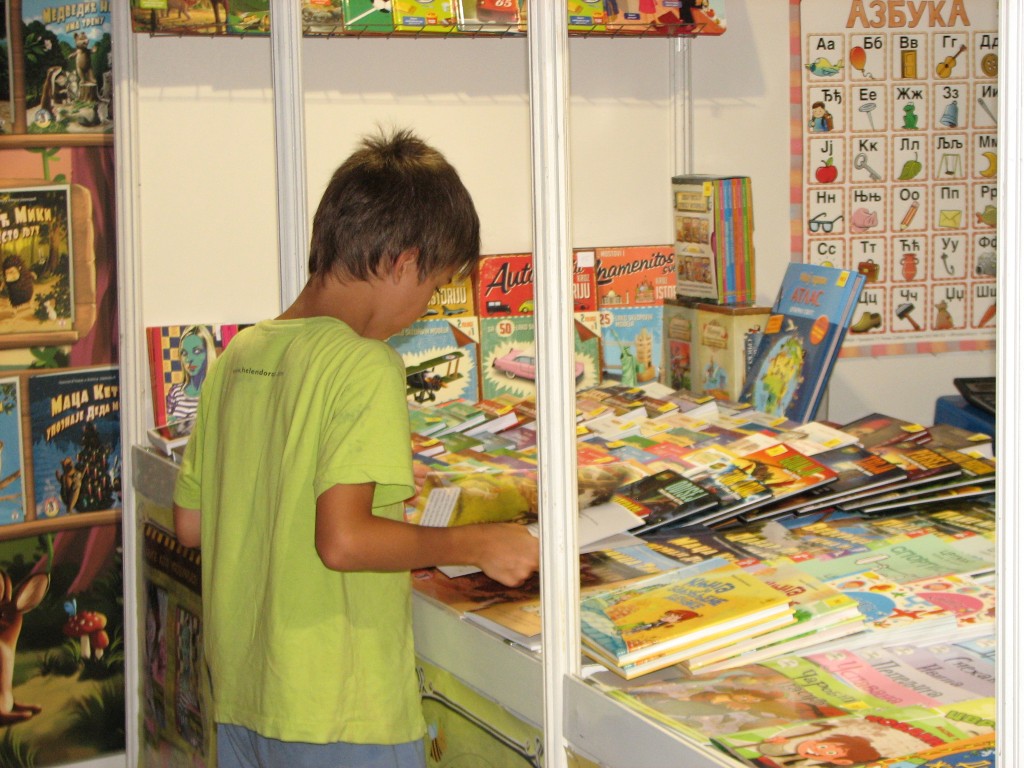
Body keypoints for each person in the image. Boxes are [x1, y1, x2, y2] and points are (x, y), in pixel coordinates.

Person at [172, 128, 540, 768]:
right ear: (404, 262)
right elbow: (343, 541)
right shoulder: (365, 365)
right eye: (435, 287)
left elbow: (192, 524)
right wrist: (478, 542)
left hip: (241, 702)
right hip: (341, 710)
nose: (425, 309)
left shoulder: (239, 353)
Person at [165, 324, 217, 434]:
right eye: (184, 353)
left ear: (208, 353)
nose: (189, 359)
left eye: (197, 351)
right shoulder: (175, 392)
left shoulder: (216, 393)